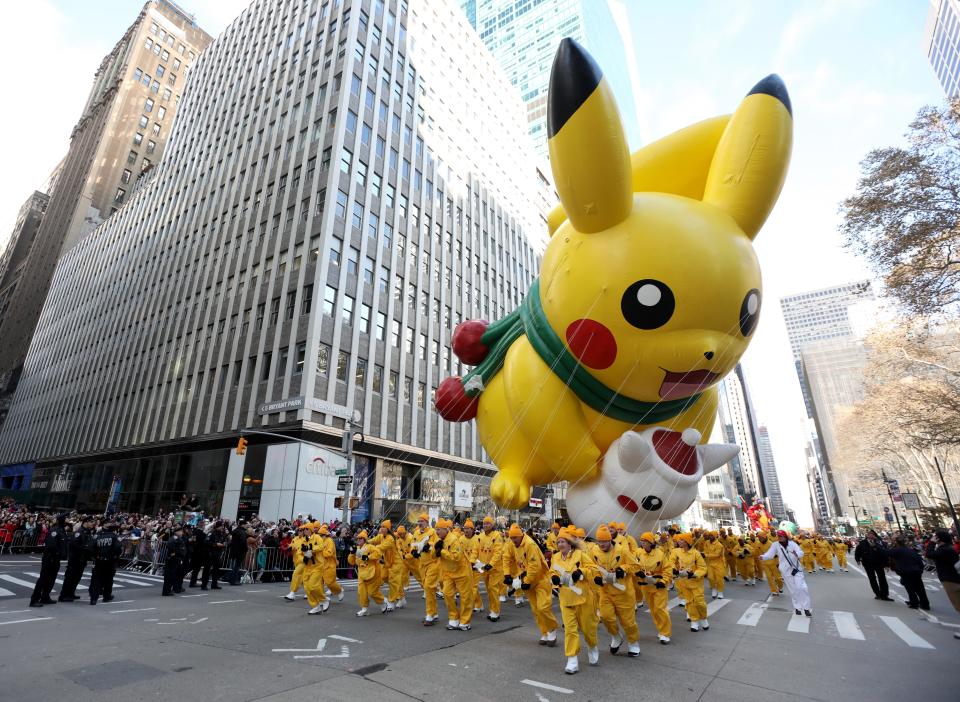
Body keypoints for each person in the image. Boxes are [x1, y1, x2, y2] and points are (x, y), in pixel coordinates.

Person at [550, 527, 599, 674]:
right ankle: (572, 660)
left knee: (588, 630)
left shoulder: (580, 555)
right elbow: (552, 571)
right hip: (566, 599)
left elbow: (593, 569)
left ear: (569, 543)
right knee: (570, 631)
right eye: (558, 542)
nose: (560, 544)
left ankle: (592, 646)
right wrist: (553, 578)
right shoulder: (555, 557)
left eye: (563, 541)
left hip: (583, 599)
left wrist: (581, 572)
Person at [503, 522, 559, 646]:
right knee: (535, 609)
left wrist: (527, 581)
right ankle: (544, 633)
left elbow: (535, 566)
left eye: (515, 538)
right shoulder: (511, 544)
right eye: (511, 538)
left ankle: (552, 628)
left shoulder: (530, 544)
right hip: (526, 579)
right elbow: (506, 557)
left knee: (543, 607)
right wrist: (507, 574)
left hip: (540, 579)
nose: (513, 540)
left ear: (521, 535)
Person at [592, 524, 641, 654]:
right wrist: (596, 577)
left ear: (610, 540)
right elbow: (590, 567)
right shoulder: (594, 551)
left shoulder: (622, 550)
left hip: (624, 593)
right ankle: (616, 636)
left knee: (628, 622)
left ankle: (633, 642)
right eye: (599, 541)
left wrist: (623, 570)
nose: (601, 544)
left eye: (604, 541)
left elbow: (636, 566)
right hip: (605, 592)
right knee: (606, 617)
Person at [435, 518, 474, 630]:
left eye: (439, 529)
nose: (437, 532)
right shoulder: (440, 540)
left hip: (462, 572)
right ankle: (454, 618)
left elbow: (456, 557)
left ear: (445, 529)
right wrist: (434, 549)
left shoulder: (453, 540)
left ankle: (465, 622)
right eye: (436, 529)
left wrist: (441, 551)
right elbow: (436, 553)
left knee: (466, 597)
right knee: (447, 594)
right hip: (448, 573)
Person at [762, 530, 811, 616]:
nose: (780, 537)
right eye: (779, 536)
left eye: (781, 536)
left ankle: (806, 608)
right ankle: (797, 607)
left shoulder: (792, 544)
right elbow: (770, 554)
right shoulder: (775, 545)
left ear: (785, 536)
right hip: (786, 570)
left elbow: (801, 552)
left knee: (802, 587)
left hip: (796, 568)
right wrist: (763, 557)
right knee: (793, 590)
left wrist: (797, 554)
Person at [636, 531, 672, 645]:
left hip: (658, 586)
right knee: (653, 610)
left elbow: (667, 569)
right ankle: (660, 629)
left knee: (660, 609)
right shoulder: (639, 553)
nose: (643, 543)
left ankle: (665, 633)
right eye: (642, 541)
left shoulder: (660, 554)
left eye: (645, 541)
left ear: (651, 543)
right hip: (646, 587)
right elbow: (634, 565)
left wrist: (663, 581)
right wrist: (639, 573)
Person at [925, 530, 960, 639]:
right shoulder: (948, 549)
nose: (933, 537)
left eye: (935, 536)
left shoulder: (945, 550)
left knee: (958, 604)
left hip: (951, 580)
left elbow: (929, 554)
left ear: (939, 539)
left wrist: (931, 542)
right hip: (952, 578)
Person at [673, 533, 709, 631]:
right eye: (679, 540)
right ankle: (694, 621)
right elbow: (670, 561)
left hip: (696, 582)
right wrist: (675, 571)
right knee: (689, 603)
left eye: (681, 540)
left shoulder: (696, 553)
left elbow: (703, 568)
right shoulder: (677, 552)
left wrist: (693, 574)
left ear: (687, 542)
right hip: (683, 582)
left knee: (699, 602)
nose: (679, 541)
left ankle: (704, 618)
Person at [29, 514, 67, 607]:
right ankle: (34, 600)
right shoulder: (55, 530)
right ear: (61, 520)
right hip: (50, 558)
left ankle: (45, 597)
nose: (67, 520)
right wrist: (59, 554)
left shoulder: (61, 530)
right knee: (43, 578)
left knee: (51, 579)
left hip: (55, 559)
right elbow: (51, 545)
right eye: (65, 519)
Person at [347, 530, 386, 616]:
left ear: (364, 539)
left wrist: (368, 557)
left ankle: (383, 602)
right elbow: (351, 562)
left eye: (361, 538)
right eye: (358, 538)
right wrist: (352, 553)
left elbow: (378, 553)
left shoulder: (370, 547)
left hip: (372, 572)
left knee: (372, 592)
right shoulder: (357, 549)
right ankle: (364, 608)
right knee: (361, 592)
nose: (359, 540)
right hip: (361, 573)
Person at [411, 513, 440, 625]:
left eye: (421, 521)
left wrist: (430, 546)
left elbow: (437, 544)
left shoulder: (432, 532)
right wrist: (413, 551)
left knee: (428, 587)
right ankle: (434, 613)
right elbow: (413, 545)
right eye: (418, 521)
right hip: (421, 564)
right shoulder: (416, 532)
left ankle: (429, 615)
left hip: (433, 563)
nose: (419, 523)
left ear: (427, 522)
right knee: (429, 589)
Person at [887, 535, 929, 611]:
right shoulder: (910, 550)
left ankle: (914, 603)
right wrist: (920, 570)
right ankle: (925, 604)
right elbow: (919, 560)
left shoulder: (897, 550)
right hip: (916, 571)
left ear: (896, 542)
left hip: (906, 572)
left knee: (910, 588)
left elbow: (886, 553)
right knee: (920, 588)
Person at [59, 515, 95, 602]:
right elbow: (73, 545)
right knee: (70, 578)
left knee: (77, 578)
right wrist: (85, 548)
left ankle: (71, 593)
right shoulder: (79, 532)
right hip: (75, 559)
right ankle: (63, 595)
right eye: (91, 522)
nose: (93, 524)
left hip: (82, 559)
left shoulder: (87, 532)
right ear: (86, 522)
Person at [475, 516, 504, 621]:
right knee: (489, 590)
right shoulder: (480, 536)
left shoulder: (497, 536)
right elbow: (476, 550)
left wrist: (491, 564)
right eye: (484, 523)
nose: (485, 525)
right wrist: (474, 563)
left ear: (492, 525)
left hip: (495, 569)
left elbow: (498, 552)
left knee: (493, 589)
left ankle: (495, 612)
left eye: (488, 523)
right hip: (484, 568)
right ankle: (492, 610)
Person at [854, 530, 892, 601]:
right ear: (867, 535)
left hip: (878, 563)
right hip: (867, 563)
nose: (870, 535)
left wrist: (886, 564)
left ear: (875, 535)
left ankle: (884, 595)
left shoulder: (879, 542)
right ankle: (877, 594)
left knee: (882, 578)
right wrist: (858, 560)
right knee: (872, 578)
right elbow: (857, 552)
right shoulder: (862, 543)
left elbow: (884, 554)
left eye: (872, 534)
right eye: (868, 534)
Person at [89, 522, 121, 605]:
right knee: (109, 579)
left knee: (97, 580)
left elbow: (91, 547)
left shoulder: (98, 535)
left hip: (99, 560)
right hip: (110, 561)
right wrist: (116, 556)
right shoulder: (113, 536)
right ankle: (106, 596)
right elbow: (118, 548)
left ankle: (93, 599)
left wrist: (95, 556)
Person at [284, 524, 310, 601]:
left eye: (301, 530)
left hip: (303, 561)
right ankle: (308, 592)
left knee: (296, 574)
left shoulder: (307, 539)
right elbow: (291, 546)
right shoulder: (295, 539)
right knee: (303, 578)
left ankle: (292, 593)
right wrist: (289, 548)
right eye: (299, 530)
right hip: (296, 561)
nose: (300, 531)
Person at [701, 531, 726, 599]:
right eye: (709, 535)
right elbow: (705, 550)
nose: (710, 537)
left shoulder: (719, 545)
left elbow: (717, 555)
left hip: (719, 564)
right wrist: (703, 554)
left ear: (715, 536)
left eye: (712, 535)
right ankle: (714, 589)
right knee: (711, 578)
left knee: (719, 579)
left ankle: (720, 592)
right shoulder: (706, 543)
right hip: (710, 563)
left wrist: (705, 555)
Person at [163, 526, 187, 596]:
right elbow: (170, 545)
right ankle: (167, 591)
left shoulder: (176, 538)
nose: (182, 533)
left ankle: (167, 590)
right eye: (181, 531)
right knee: (170, 575)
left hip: (174, 559)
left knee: (171, 575)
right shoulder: (176, 538)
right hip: (173, 559)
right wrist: (175, 552)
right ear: (177, 532)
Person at [205, 521, 226, 590]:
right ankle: (204, 584)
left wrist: (224, 544)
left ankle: (214, 584)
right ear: (218, 526)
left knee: (216, 570)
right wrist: (216, 544)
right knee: (207, 569)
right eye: (221, 526)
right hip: (210, 553)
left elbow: (222, 541)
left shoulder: (221, 534)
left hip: (217, 554)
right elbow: (207, 542)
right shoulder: (211, 533)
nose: (222, 527)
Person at [187, 520, 208, 588]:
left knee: (195, 568)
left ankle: (193, 582)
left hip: (196, 552)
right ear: (201, 524)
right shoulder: (200, 532)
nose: (204, 525)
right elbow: (200, 542)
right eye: (203, 523)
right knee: (195, 568)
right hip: (198, 553)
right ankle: (192, 582)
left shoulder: (196, 531)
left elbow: (194, 541)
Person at [228, 520, 248, 585]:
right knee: (236, 566)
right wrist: (246, 549)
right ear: (242, 525)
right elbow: (243, 542)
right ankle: (233, 580)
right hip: (240, 551)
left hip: (233, 550)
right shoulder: (242, 532)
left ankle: (231, 579)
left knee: (233, 566)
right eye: (245, 524)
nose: (246, 526)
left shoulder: (235, 530)